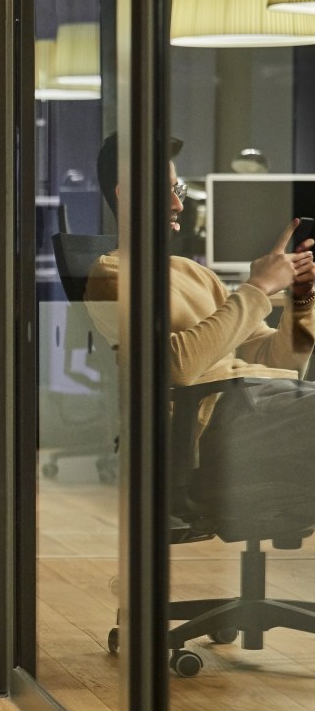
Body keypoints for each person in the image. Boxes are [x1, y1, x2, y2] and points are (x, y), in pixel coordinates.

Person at [86, 134, 315, 529]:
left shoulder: (193, 272)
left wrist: (301, 300)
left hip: (262, 403)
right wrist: (257, 288)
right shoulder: (111, 276)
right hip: (214, 428)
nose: (179, 203)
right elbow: (172, 368)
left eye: (178, 189)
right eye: (166, 191)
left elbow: (282, 363)